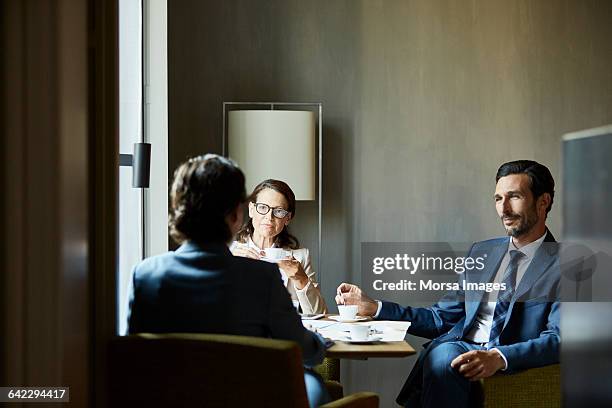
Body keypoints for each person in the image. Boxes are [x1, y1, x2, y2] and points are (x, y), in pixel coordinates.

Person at [336, 160, 560, 408]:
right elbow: (439, 318)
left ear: (543, 201)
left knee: (444, 360)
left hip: (510, 358)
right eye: (498, 199)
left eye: (514, 196)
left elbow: (560, 338)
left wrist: (498, 356)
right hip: (460, 348)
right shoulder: (482, 252)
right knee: (444, 356)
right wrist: (375, 307)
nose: (503, 209)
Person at [127, 154, 329, 407]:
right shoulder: (262, 277)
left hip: (173, 397)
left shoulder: (144, 275)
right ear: (240, 214)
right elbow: (308, 353)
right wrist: (320, 343)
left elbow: (133, 359)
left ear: (177, 210)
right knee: (315, 389)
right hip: (248, 396)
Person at [231, 179, 328, 315]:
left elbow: (319, 313)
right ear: (252, 210)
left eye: (278, 211)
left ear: (287, 218)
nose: (269, 217)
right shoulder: (230, 252)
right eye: (263, 208)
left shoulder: (300, 257)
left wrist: (301, 279)